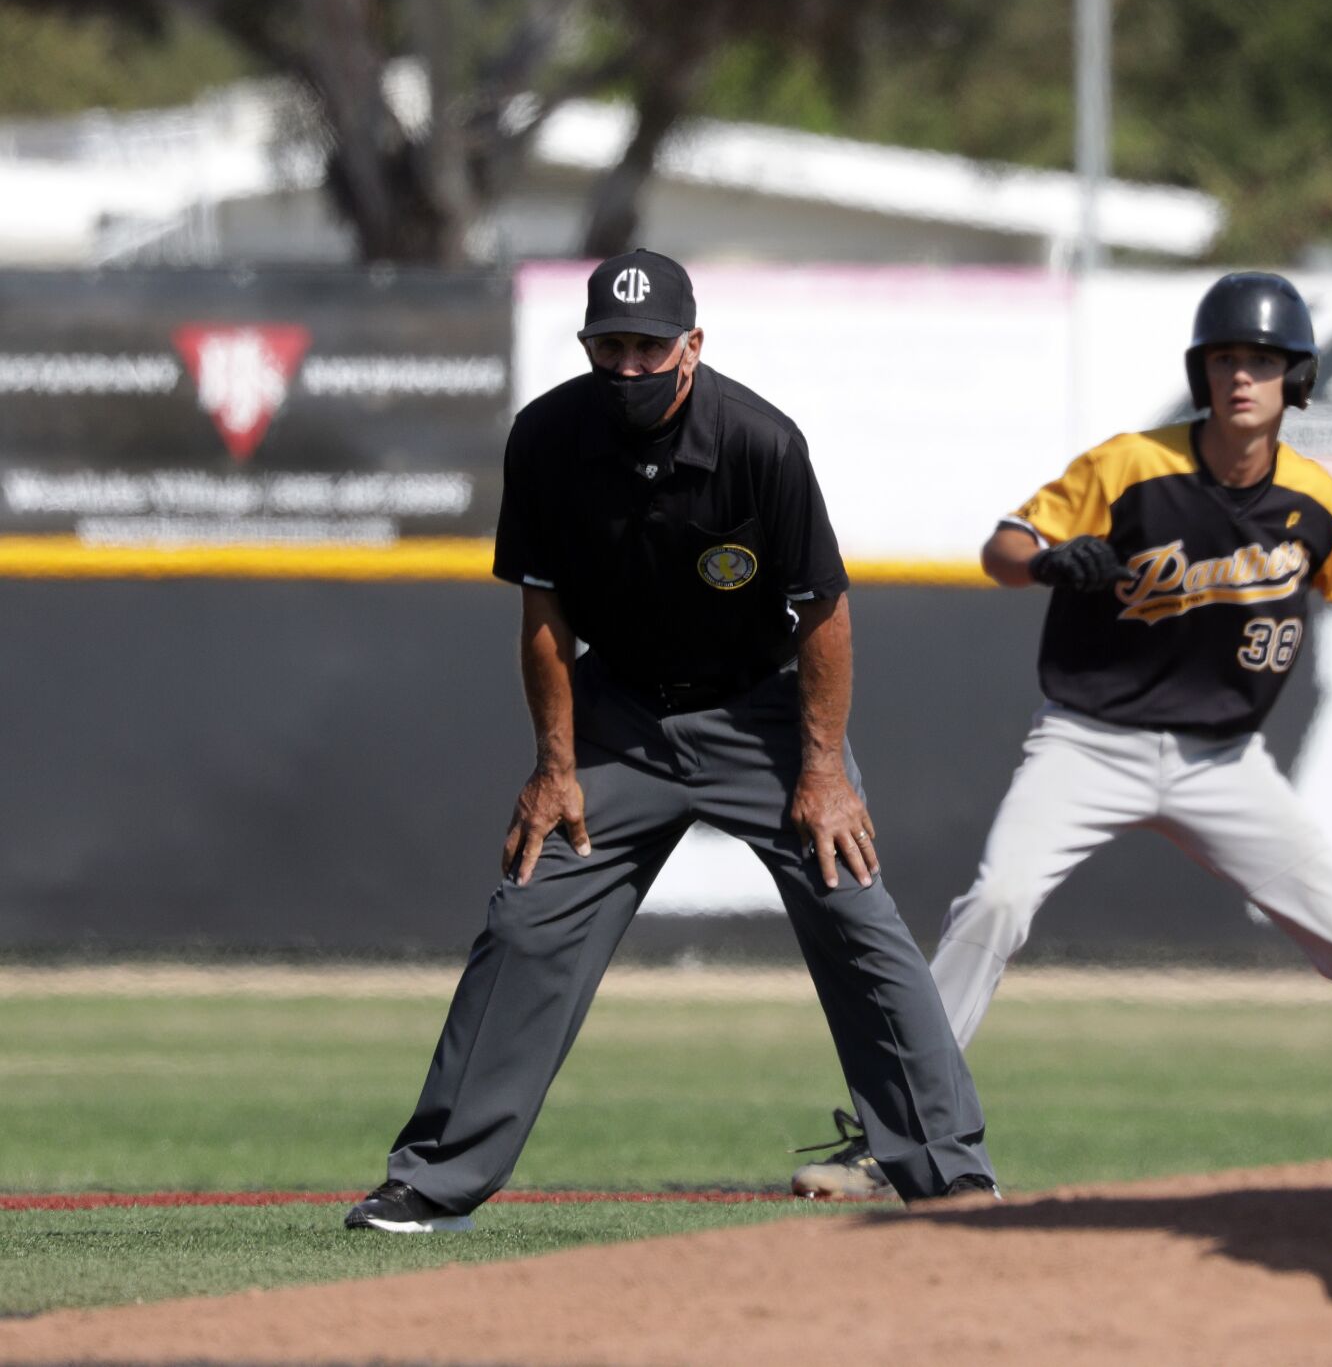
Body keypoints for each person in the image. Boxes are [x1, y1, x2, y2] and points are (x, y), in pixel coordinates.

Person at [346, 250, 996, 1232]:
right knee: (527, 916)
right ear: (586, 346)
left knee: (856, 917)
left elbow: (821, 609)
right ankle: (430, 1181)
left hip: (762, 710)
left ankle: (946, 1171)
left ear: (691, 345)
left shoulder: (759, 443)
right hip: (620, 716)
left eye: (650, 345)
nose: (630, 363)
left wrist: (822, 768)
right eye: (611, 344)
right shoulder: (547, 437)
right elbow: (543, 610)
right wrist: (554, 767)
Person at [791, 272, 1332, 1199]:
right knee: (997, 904)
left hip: (1224, 762)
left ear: (1297, 378)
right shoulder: (1132, 464)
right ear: (1202, 370)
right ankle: (890, 1138)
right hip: (1091, 743)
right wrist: (1053, 558)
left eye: (1261, 360)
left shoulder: (1310, 493)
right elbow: (1003, 547)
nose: (1242, 377)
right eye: (1226, 358)